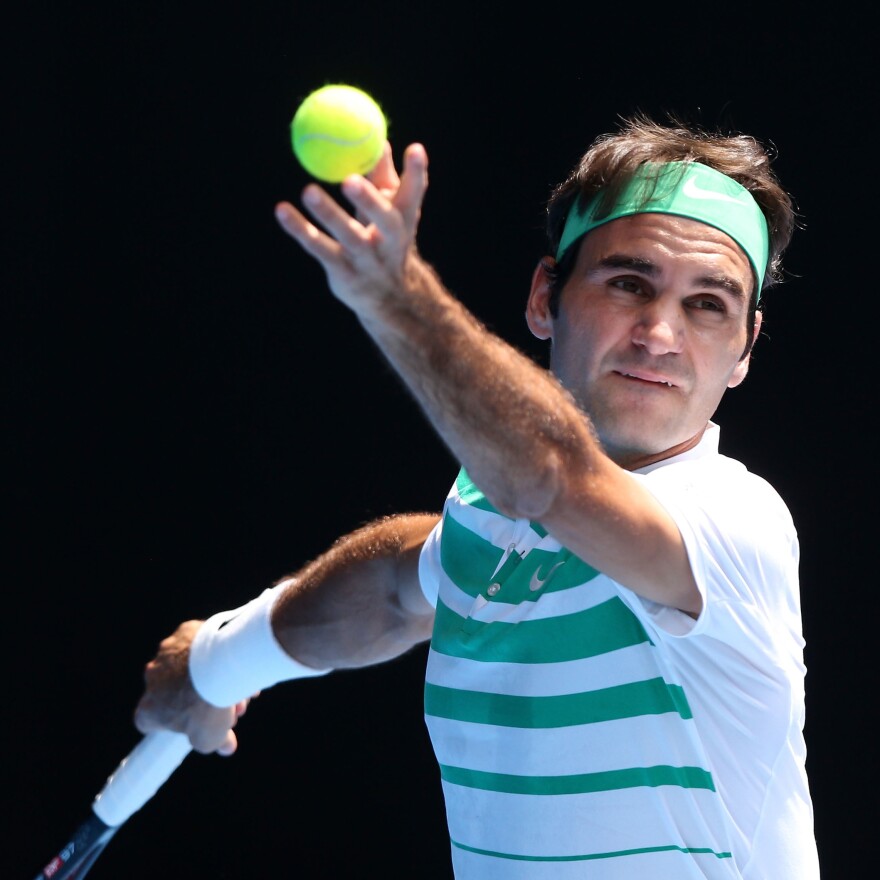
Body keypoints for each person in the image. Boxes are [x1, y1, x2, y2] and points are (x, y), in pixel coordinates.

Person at [134, 112, 820, 878]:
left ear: (744, 351)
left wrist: (399, 300)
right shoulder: (493, 518)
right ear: (543, 297)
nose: (660, 333)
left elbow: (550, 478)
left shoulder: (736, 519)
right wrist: (218, 665)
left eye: (708, 304)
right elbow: (395, 589)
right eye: (629, 283)